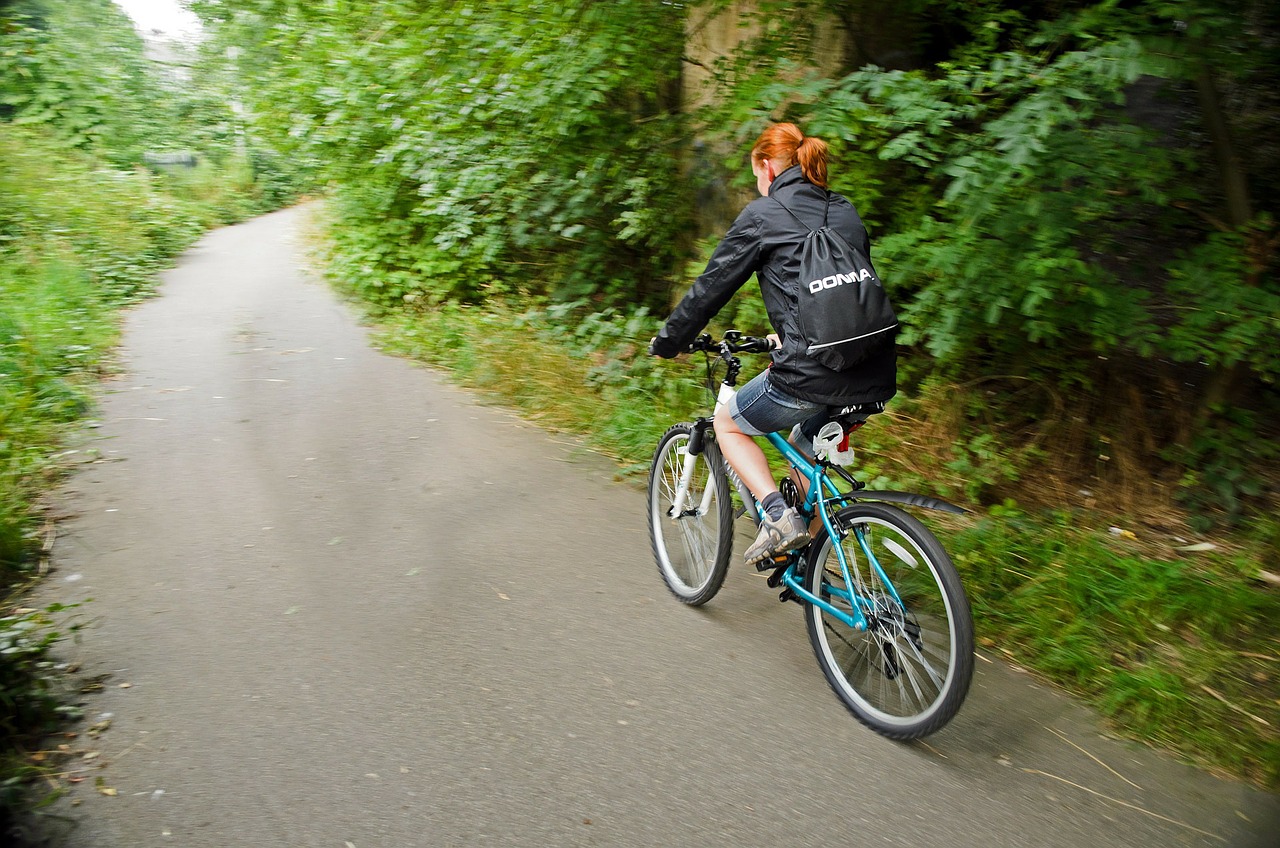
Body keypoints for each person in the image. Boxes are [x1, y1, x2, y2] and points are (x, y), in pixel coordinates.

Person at [649, 122, 897, 566]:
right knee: (806, 450)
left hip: (812, 374)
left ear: (766, 166)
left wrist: (671, 341)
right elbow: (841, 292)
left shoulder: (763, 215)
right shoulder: (843, 209)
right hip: (874, 371)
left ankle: (777, 516)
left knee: (728, 424)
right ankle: (808, 561)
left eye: (756, 174)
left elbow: (711, 288)